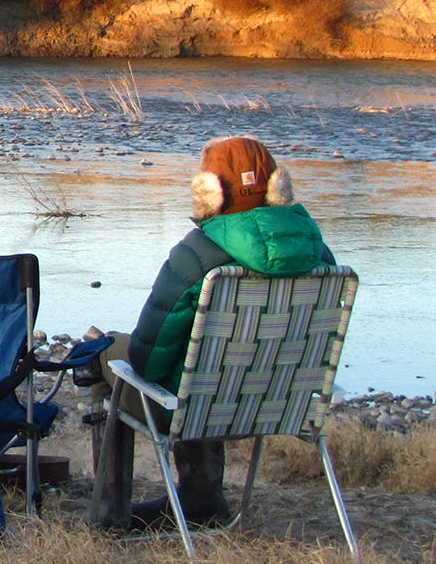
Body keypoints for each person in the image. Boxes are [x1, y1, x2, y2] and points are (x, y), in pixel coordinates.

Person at [88, 135, 335, 531]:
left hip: (198, 410)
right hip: (284, 407)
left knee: (103, 353)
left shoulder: (196, 254)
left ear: (210, 191)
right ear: (277, 185)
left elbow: (148, 360)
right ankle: (202, 497)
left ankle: (111, 512)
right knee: (207, 365)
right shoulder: (320, 254)